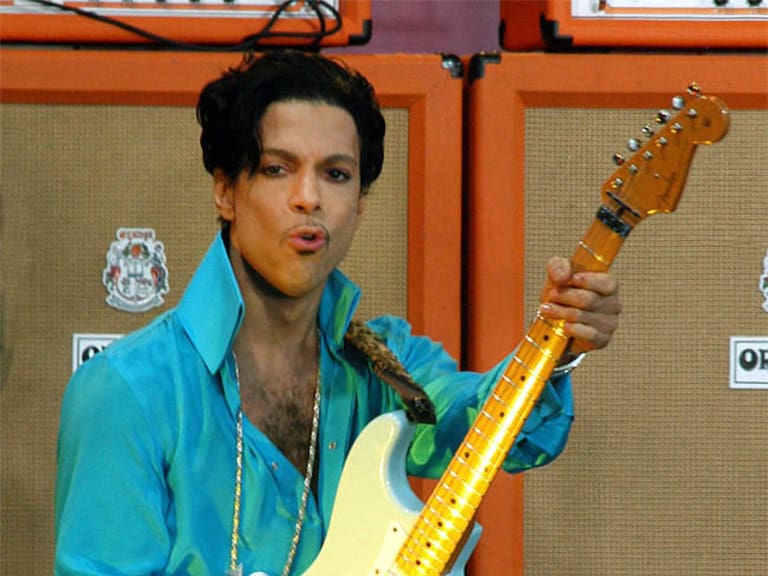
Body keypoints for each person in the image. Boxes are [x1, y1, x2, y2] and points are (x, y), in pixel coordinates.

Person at [54, 49, 621, 576]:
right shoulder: (127, 391)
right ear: (225, 191)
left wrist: (558, 349)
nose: (310, 198)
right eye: (277, 169)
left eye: (336, 174)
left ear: (359, 205)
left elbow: (500, 435)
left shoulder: (387, 370)